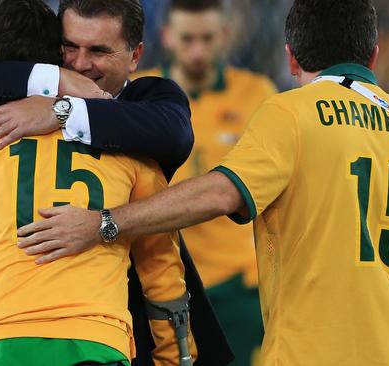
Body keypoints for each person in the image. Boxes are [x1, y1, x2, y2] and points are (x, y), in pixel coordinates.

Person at [15, 0, 389, 365]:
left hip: (312, 350)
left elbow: (222, 192)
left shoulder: (290, 111)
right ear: (373, 55)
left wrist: (103, 223)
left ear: (291, 58)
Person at [0, 1, 233, 365]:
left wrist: (60, 111)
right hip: (90, 337)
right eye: (70, 47)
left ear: (136, 56)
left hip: (27, 335)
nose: (81, 63)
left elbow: (175, 132)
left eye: (99, 51)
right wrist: (55, 83)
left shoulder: (146, 110)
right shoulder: (10, 115)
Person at [133, 1, 276, 364]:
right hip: (162, 275)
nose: (197, 50)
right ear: (167, 37)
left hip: (238, 283)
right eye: (187, 39)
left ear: (224, 36)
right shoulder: (139, 93)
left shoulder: (257, 94)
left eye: (207, 38)